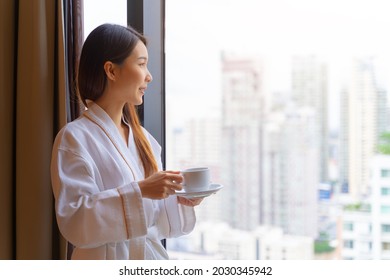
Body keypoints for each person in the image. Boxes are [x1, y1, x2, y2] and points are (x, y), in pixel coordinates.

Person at [51, 23, 203, 260]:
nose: (149, 76)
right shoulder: (74, 138)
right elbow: (75, 220)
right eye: (141, 64)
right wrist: (141, 190)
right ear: (111, 71)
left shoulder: (145, 140)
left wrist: (180, 199)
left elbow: (154, 221)